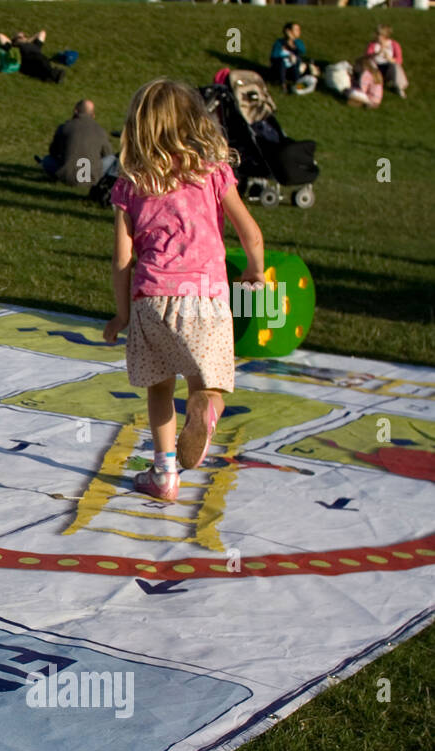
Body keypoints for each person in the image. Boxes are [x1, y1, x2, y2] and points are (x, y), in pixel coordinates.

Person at [102, 79, 266, 502]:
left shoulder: (131, 184)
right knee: (205, 384)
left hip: (151, 300)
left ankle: (164, 474)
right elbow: (251, 231)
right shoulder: (214, 173)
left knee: (159, 386)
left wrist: (121, 315)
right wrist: (254, 269)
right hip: (205, 299)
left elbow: (122, 260)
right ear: (195, 122)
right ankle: (206, 408)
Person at [37, 99, 114, 187]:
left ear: (75, 111)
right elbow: (107, 154)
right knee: (111, 159)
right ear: (93, 115)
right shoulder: (101, 131)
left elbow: (53, 151)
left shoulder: (64, 127)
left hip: (67, 176)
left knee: (47, 160)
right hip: (91, 178)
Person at [0, 30, 64, 84]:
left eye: (24, 36)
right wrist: (12, 43)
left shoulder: (35, 45)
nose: (23, 37)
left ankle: (50, 76)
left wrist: (28, 40)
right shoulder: (14, 48)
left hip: (39, 57)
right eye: (20, 37)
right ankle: (53, 74)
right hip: (27, 60)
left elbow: (42, 33)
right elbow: (0, 36)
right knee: (40, 62)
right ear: (15, 41)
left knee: (43, 61)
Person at [270, 22, 317, 93]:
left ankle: (296, 85)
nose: (299, 32)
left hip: (293, 68)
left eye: (299, 30)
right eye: (296, 30)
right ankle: (283, 85)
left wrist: (292, 41)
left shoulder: (298, 42)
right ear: (288, 31)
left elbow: (302, 51)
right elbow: (273, 56)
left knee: (296, 62)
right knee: (282, 63)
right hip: (280, 68)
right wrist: (287, 56)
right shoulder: (279, 43)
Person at [366, 25, 407, 99]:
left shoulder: (394, 45)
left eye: (379, 35)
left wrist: (390, 58)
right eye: (377, 34)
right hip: (376, 67)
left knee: (395, 66)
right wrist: (376, 53)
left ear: (385, 36)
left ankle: (399, 88)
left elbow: (399, 60)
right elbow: (366, 57)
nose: (377, 37)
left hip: (388, 68)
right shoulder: (372, 45)